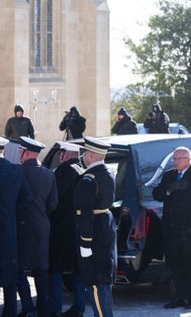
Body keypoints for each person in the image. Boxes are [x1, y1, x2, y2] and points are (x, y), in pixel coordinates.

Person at [152, 146, 191, 310]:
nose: (175, 161)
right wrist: (170, 189)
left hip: (188, 230)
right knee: (174, 264)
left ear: (188, 160)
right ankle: (178, 297)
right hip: (171, 228)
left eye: (178, 159)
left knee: (190, 264)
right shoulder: (169, 176)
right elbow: (157, 195)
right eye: (174, 159)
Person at [0, 133, 32, 317]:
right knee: (10, 275)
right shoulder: (16, 170)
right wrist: (10, 212)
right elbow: (27, 198)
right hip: (10, 228)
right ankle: (9, 312)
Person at [73, 136, 116, 317]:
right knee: (104, 281)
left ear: (90, 155)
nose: (83, 157)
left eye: (84, 154)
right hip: (105, 228)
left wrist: (85, 242)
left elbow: (86, 214)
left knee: (96, 284)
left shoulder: (88, 180)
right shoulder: (107, 173)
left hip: (93, 233)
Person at [16, 136, 58, 317]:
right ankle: (44, 309)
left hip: (20, 225)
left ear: (25, 152)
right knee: (41, 270)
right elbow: (53, 203)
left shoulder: (17, 172)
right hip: (41, 226)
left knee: (18, 270)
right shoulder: (49, 174)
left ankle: (27, 308)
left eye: (20, 151)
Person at [48, 141, 86, 317]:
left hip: (61, 227)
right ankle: (79, 307)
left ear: (64, 154)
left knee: (55, 269)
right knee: (78, 270)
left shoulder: (63, 171)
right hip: (77, 226)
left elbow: (54, 199)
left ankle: (55, 307)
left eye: (61, 154)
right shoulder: (82, 170)